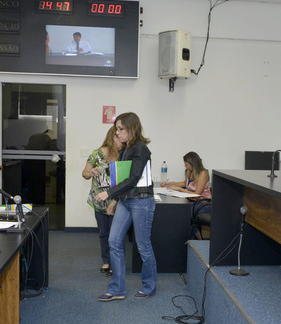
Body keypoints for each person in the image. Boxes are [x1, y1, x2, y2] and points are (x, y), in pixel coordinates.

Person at [94, 112, 155, 301]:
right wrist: (116, 200)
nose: (117, 132)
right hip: (126, 201)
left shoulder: (141, 149)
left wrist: (109, 194)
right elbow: (123, 178)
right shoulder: (126, 149)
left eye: (121, 129)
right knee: (114, 242)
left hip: (141, 202)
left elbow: (134, 178)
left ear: (132, 128)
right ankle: (117, 289)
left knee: (143, 246)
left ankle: (149, 285)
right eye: (116, 129)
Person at [82, 125, 122, 275]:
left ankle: (115, 263)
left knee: (116, 234)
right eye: (118, 137)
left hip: (117, 200)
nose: (121, 141)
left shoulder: (124, 154)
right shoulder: (96, 154)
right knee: (103, 232)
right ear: (112, 137)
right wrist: (90, 173)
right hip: (99, 201)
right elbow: (84, 173)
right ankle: (106, 261)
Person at [161, 151, 211, 239]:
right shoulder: (190, 172)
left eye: (187, 165)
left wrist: (180, 189)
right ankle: (195, 239)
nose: (185, 166)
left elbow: (197, 194)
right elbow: (185, 183)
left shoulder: (203, 174)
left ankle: (195, 239)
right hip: (192, 202)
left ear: (193, 164)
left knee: (183, 213)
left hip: (202, 204)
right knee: (179, 211)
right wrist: (168, 184)